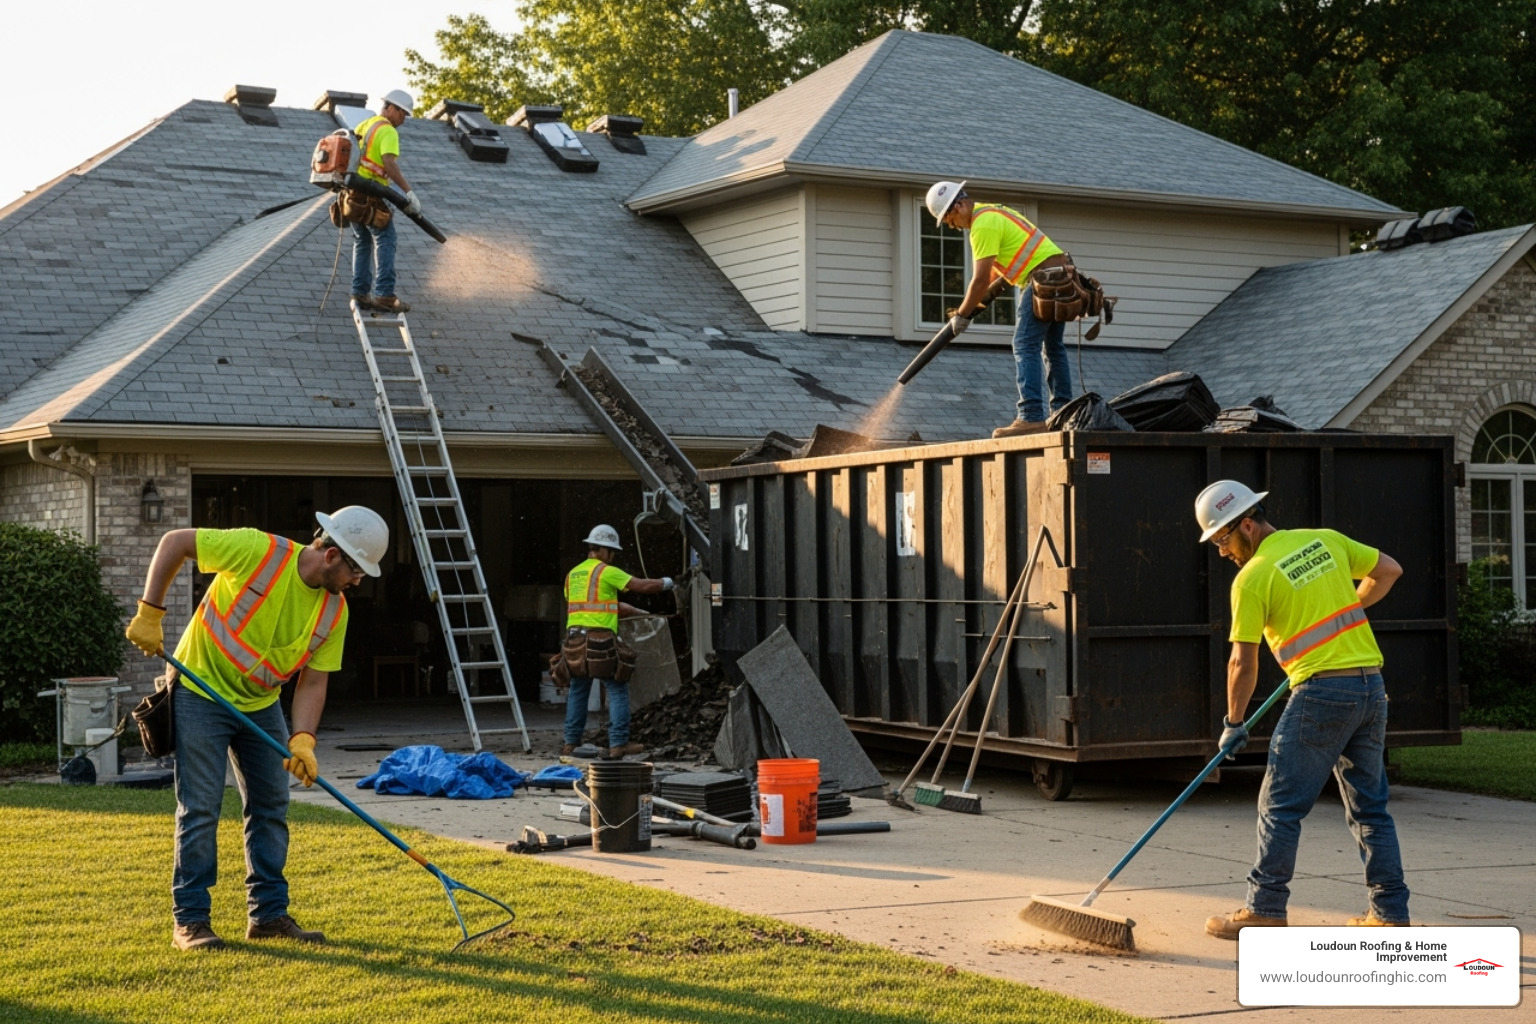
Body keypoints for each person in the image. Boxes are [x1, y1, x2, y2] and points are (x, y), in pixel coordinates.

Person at [124, 506, 389, 951]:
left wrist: (303, 739)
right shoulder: (258, 551)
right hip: (200, 692)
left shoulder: (334, 612)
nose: (358, 582)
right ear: (330, 555)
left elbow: (314, 681)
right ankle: (190, 921)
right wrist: (151, 612)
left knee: (270, 805)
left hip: (260, 702)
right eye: (357, 570)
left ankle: (267, 915)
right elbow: (175, 542)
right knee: (202, 807)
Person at [1194, 480, 1410, 938]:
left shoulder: (1252, 578)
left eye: (1221, 539)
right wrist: (1349, 606)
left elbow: (1241, 661)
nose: (1220, 551)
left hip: (1320, 694)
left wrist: (1233, 722)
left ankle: (1265, 908)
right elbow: (1389, 570)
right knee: (1371, 809)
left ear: (1246, 526)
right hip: (1371, 687)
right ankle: (1390, 913)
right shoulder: (1325, 540)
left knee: (1280, 806)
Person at [925, 180, 1073, 438]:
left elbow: (980, 279)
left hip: (1042, 278)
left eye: (949, 220)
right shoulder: (994, 211)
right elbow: (995, 275)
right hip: (1061, 274)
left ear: (958, 205)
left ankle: (1031, 417)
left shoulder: (982, 225)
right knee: (1053, 347)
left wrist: (962, 316)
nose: (952, 226)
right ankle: (1064, 413)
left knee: (1024, 345)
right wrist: (972, 306)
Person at [560, 524, 676, 759]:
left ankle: (570, 744)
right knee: (617, 689)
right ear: (605, 551)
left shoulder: (573, 574)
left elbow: (591, 605)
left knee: (578, 690)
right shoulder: (606, 571)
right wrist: (668, 582)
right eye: (613, 552)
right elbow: (642, 586)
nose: (612, 557)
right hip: (599, 641)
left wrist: (629, 610)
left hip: (574, 641)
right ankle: (618, 744)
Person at [350, 89, 421, 314]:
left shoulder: (366, 125)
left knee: (362, 240)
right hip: (371, 193)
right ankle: (385, 295)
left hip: (352, 195)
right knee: (386, 239)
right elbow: (388, 163)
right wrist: (409, 193)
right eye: (403, 114)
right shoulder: (388, 131)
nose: (404, 119)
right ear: (392, 108)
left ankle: (360, 292)